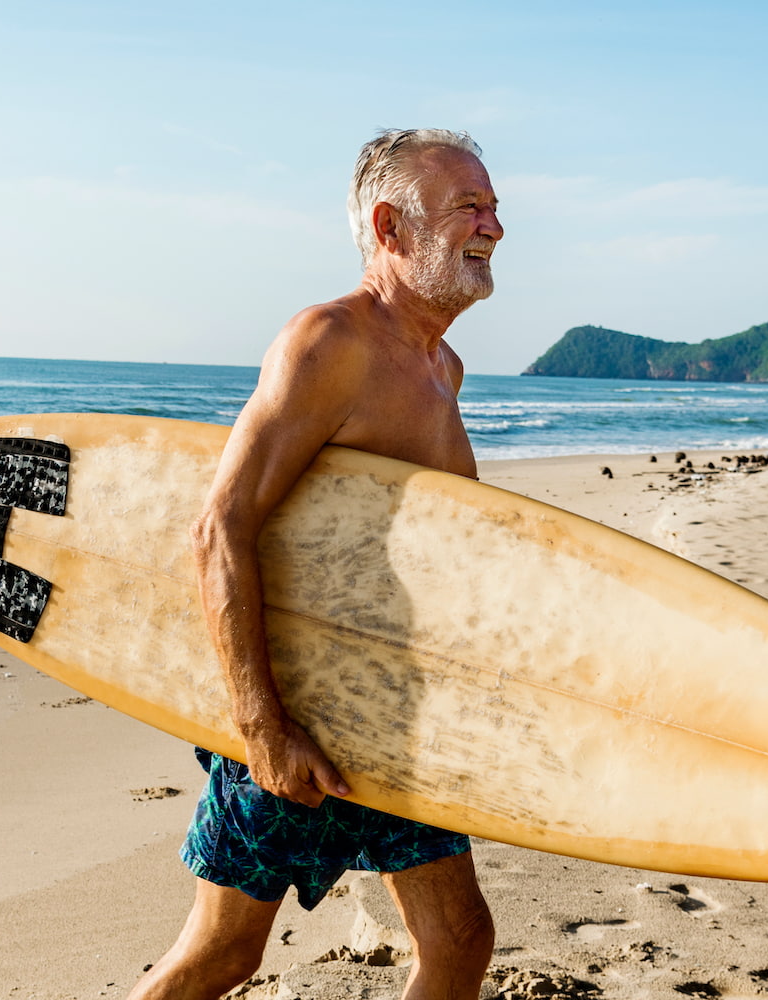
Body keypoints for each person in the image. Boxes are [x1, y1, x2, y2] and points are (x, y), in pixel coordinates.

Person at [127, 128, 504, 1000]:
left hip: (386, 714)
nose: (494, 226)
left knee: (459, 941)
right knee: (221, 955)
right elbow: (219, 528)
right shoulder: (327, 343)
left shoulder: (443, 366)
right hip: (296, 707)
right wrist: (259, 726)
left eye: (495, 207)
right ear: (391, 227)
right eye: (470, 208)